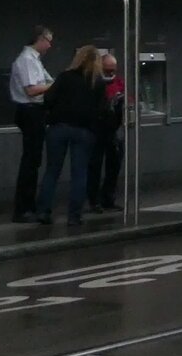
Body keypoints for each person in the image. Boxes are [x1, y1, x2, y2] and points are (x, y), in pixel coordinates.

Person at [37, 45, 106, 226]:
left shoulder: (65, 77)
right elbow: (103, 109)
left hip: (58, 128)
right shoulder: (97, 82)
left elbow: (48, 99)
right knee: (80, 174)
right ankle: (74, 216)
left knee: (52, 171)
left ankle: (43, 212)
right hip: (84, 131)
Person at [9, 26, 53, 223]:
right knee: (30, 161)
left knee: (33, 160)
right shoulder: (27, 60)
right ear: (40, 39)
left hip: (34, 111)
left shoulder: (34, 60)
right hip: (30, 110)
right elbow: (32, 90)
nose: (50, 45)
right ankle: (23, 208)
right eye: (48, 40)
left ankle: (28, 205)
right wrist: (55, 86)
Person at [87, 53, 125, 213]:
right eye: (107, 70)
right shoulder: (94, 82)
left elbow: (127, 99)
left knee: (113, 165)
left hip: (112, 128)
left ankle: (108, 198)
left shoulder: (118, 82)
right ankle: (94, 200)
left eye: (113, 70)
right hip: (96, 128)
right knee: (94, 165)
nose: (111, 73)